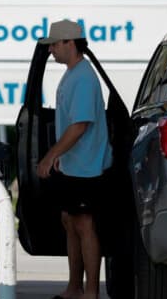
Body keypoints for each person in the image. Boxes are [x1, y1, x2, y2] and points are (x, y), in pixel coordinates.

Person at [36, 19, 112, 299]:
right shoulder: (73, 73)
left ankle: (90, 291)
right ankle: (74, 287)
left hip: (87, 167)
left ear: (70, 43)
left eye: (55, 44)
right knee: (70, 221)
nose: (51, 50)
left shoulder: (83, 78)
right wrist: (62, 156)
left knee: (84, 225)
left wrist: (50, 155)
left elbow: (80, 125)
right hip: (75, 164)